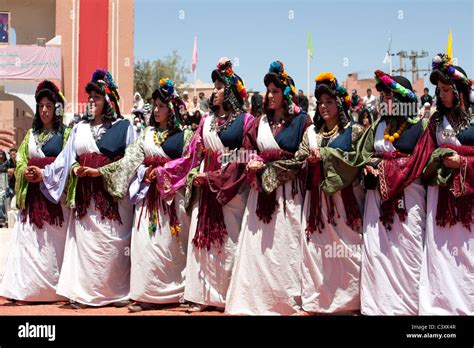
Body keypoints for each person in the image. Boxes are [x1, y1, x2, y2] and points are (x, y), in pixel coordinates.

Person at [82, 78, 194, 312]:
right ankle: (147, 294)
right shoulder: (146, 134)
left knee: (172, 245)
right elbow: (131, 161)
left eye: (161, 106)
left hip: (172, 200)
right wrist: (142, 172)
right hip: (147, 200)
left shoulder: (186, 136)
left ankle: (178, 292)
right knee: (146, 245)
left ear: (171, 108)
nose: (156, 109)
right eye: (154, 105)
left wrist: (163, 172)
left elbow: (189, 163)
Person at [30, 69, 136, 309]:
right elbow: (64, 160)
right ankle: (85, 293)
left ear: (108, 100)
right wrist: (45, 173)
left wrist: (101, 172)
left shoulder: (125, 127)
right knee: (86, 246)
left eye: (96, 97)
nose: (91, 101)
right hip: (85, 201)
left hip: (113, 202)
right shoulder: (79, 128)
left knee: (110, 246)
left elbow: (132, 162)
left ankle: (115, 293)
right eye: (89, 98)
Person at [265, 72, 365, 314]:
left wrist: (329, 158)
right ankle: (318, 301)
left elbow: (359, 161)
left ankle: (350, 301)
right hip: (318, 204)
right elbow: (298, 161)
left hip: (344, 203)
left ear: (339, 104)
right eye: (320, 103)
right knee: (317, 253)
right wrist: (267, 172)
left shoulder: (356, 132)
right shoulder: (313, 135)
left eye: (329, 102)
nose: (323, 107)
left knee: (347, 250)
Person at [223, 61, 311, 315]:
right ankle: (255, 301)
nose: (269, 95)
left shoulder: (302, 121)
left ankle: (285, 302)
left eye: (274, 90)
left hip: (288, 195)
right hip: (260, 193)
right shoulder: (258, 123)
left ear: (285, 93)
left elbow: (304, 156)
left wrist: (275, 167)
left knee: (285, 245)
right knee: (257, 246)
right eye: (268, 91)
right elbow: (246, 149)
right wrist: (252, 160)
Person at [179, 57, 254, 311]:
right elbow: (194, 155)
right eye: (215, 86)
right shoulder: (205, 121)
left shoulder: (246, 122)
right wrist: (191, 176)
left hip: (230, 190)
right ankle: (201, 296)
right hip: (205, 187)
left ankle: (225, 296)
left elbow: (244, 158)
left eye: (221, 87)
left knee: (227, 241)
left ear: (232, 91)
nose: (216, 91)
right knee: (201, 240)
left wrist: (215, 178)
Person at [357, 70, 434, 315]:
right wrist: (368, 164)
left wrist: (387, 168)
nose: (384, 101)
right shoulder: (378, 125)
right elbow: (364, 154)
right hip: (376, 200)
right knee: (377, 252)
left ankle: (407, 307)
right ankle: (377, 306)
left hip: (408, 200)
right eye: (383, 96)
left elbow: (420, 162)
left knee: (406, 250)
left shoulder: (421, 126)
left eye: (389, 96)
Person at [0, 80, 71, 304]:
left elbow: (66, 163)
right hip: (33, 199)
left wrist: (44, 174)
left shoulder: (66, 135)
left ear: (57, 108)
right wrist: (25, 172)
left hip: (54, 200)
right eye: (41, 106)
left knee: (52, 244)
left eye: (49, 106)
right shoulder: (30, 135)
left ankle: (54, 290)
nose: (44, 110)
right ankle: (29, 290)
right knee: (31, 244)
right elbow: (20, 160)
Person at [420, 53, 474, 315]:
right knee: (441, 252)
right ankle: (441, 308)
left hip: (468, 201)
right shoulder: (434, 122)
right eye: (438, 90)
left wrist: (463, 163)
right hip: (439, 200)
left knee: (467, 252)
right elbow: (423, 157)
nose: (440, 95)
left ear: (459, 91)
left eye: (445, 90)